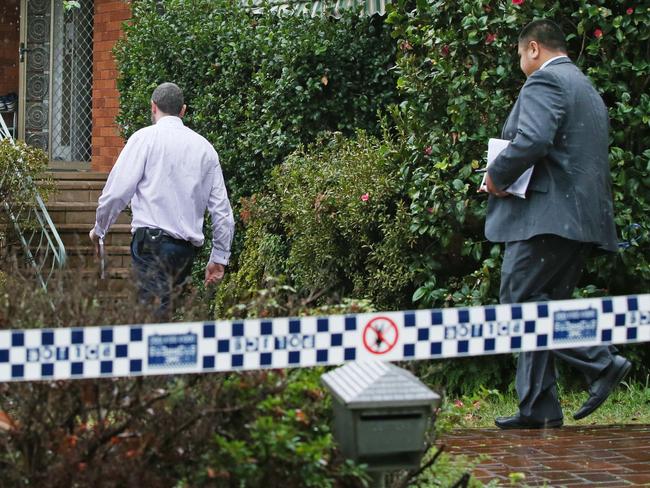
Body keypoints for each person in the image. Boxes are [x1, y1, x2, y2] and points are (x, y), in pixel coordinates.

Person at [483, 20, 631, 429]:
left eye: (518, 55)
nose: (519, 63)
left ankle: (601, 361)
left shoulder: (544, 83)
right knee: (541, 305)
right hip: (581, 220)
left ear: (533, 48)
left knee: (518, 304)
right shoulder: (584, 87)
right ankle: (538, 406)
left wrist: (495, 175)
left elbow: (532, 140)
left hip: (546, 221)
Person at [89, 82, 234, 319]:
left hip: (151, 246)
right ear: (183, 110)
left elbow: (117, 193)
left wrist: (100, 229)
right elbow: (222, 213)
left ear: (153, 107)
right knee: (167, 316)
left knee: (150, 318)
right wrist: (219, 258)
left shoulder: (144, 139)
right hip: (184, 252)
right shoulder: (205, 149)